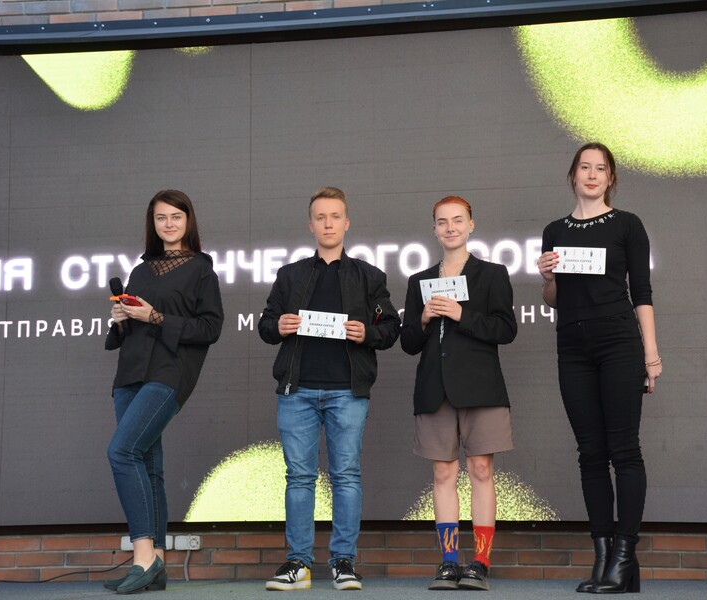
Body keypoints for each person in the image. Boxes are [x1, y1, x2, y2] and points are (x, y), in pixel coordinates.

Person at [258, 186, 401, 592]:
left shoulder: (369, 276)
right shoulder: (290, 275)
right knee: (299, 477)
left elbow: (391, 327)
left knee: (346, 476)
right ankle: (298, 563)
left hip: (347, 390)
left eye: (335, 216)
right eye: (320, 217)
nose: (328, 223)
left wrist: (367, 333)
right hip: (297, 390)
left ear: (346, 222)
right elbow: (266, 324)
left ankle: (343, 561)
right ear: (311, 224)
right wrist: (278, 325)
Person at [538, 143, 661, 594]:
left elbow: (642, 293)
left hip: (618, 342)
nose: (592, 175)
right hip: (571, 346)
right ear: (572, 175)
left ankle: (625, 557)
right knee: (590, 453)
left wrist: (651, 355)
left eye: (601, 169)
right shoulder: (554, 230)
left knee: (623, 449)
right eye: (585, 167)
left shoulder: (628, 224)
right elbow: (554, 299)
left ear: (610, 178)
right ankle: (604, 557)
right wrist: (547, 277)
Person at [104, 189, 224, 594]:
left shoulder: (202, 270)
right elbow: (127, 330)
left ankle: (142, 558)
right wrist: (121, 318)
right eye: (161, 218)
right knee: (148, 465)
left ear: (188, 221)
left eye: (176, 216)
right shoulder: (140, 270)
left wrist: (155, 316)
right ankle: (157, 563)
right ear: (152, 224)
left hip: (170, 372)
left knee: (123, 452)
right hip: (130, 373)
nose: (168, 224)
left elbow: (210, 328)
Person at [401, 196, 517, 591]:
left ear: (471, 225)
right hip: (435, 388)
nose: (450, 227)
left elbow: (506, 329)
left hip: (481, 387)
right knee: (442, 472)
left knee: (481, 469)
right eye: (442, 222)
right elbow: (409, 343)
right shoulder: (419, 281)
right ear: (434, 229)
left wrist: (461, 315)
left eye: (457, 220)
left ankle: (480, 562)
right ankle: (449, 561)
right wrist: (422, 318)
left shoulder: (492, 274)